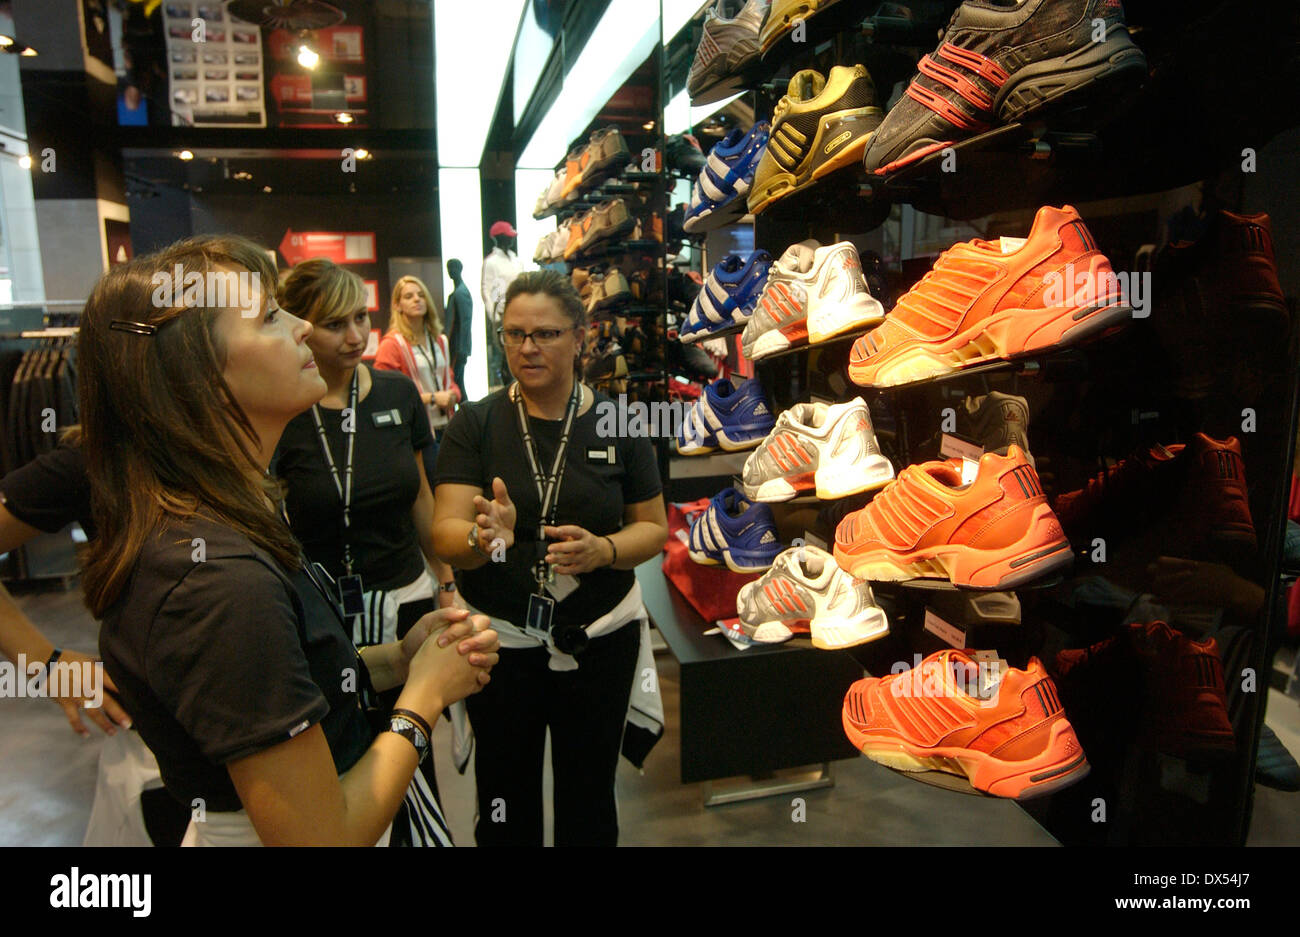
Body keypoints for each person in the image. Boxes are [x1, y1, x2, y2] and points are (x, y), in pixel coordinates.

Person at [80, 235, 499, 846]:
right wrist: (424, 697)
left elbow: (282, 685)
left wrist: (394, 662)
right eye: (270, 316)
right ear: (197, 375)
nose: (302, 328)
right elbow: (320, 837)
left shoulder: (226, 524)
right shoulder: (216, 581)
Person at [432, 269, 668, 846]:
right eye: (514, 334)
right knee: (504, 797)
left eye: (545, 334)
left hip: (599, 637)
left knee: (588, 795)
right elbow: (444, 532)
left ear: (580, 336)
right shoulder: (478, 422)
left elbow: (654, 529)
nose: (527, 348)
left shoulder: (622, 419)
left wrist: (605, 550)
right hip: (503, 640)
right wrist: (485, 539)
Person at [274, 259, 458, 653]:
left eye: (360, 317)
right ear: (301, 327)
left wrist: (445, 580)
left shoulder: (399, 393)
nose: (356, 337)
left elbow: (422, 499)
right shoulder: (282, 411)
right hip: (321, 606)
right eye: (335, 325)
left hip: (407, 594)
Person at [375, 275, 461, 456]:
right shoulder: (391, 345)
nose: (417, 299)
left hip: (447, 426)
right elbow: (386, 393)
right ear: (397, 305)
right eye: (408, 296)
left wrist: (454, 394)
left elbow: (449, 379)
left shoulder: (439, 340)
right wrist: (432, 398)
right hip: (418, 432)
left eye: (421, 295)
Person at [481, 221, 524, 392]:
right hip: (502, 314)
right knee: (504, 354)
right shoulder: (491, 262)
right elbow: (486, 288)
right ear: (499, 239)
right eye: (508, 237)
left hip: (521, 312)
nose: (511, 241)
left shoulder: (516, 260)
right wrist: (495, 316)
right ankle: (507, 390)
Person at [444, 258, 473, 396]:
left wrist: (462, 349)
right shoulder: (457, 293)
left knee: (456, 382)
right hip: (455, 346)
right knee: (458, 383)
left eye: (453, 268)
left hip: (458, 347)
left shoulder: (461, 293)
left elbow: (465, 322)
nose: (450, 272)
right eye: (449, 268)